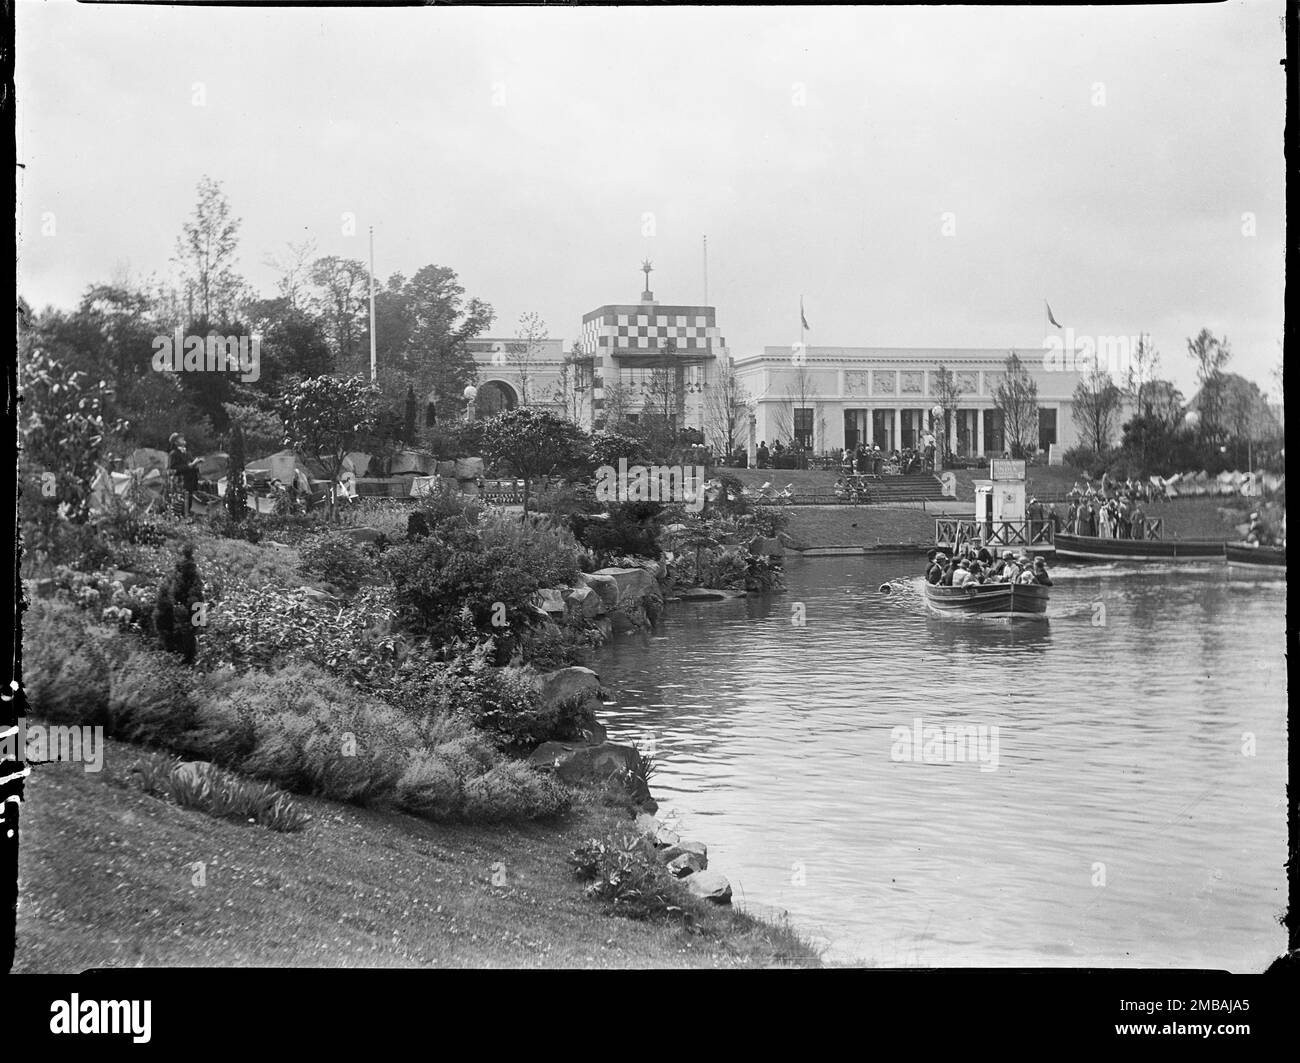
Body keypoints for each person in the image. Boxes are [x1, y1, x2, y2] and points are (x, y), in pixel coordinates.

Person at [167, 432, 201, 516]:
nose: (183, 439)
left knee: (190, 501)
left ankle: (188, 517)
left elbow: (191, 465)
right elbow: (173, 469)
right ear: (176, 442)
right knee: (180, 504)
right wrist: (190, 465)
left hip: (191, 482)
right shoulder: (173, 454)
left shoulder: (187, 453)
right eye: (180, 438)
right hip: (181, 483)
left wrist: (196, 464)